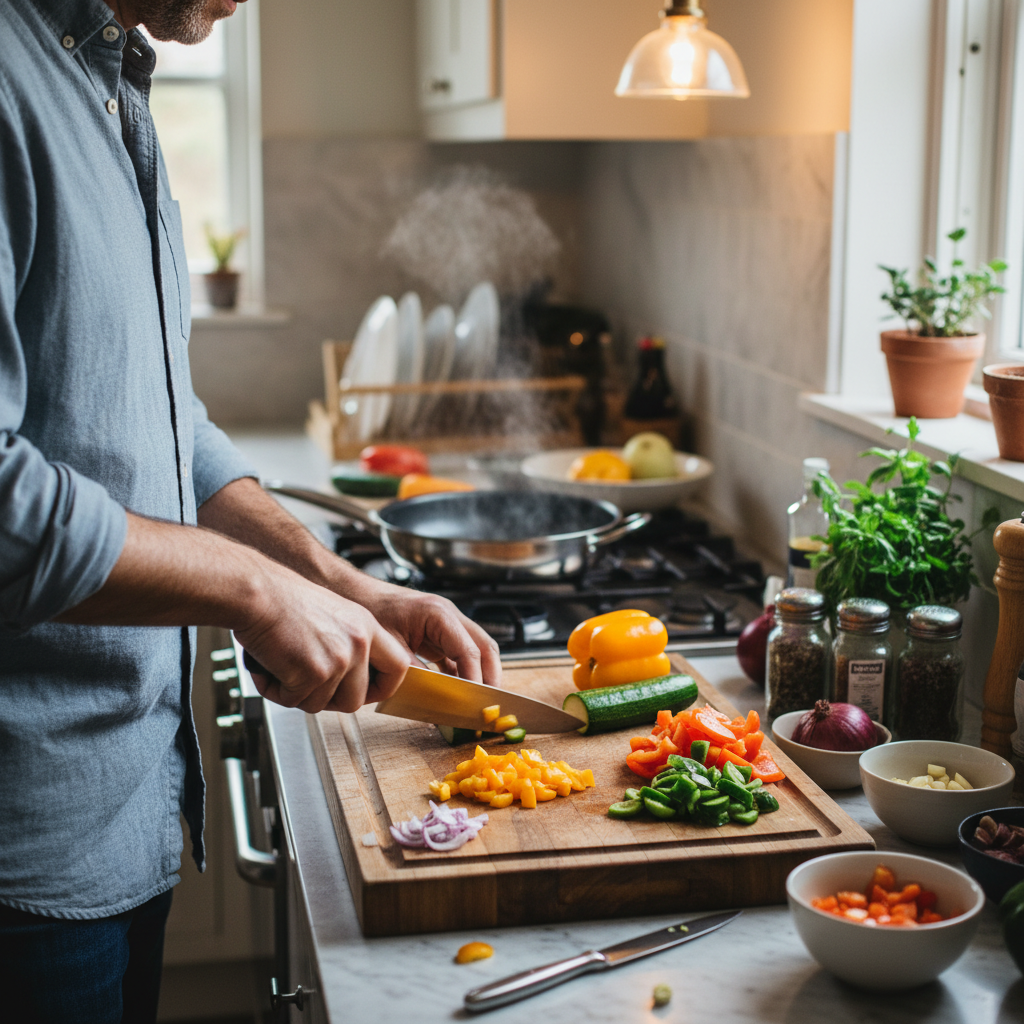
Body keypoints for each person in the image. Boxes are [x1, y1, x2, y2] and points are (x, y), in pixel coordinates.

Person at [0, 0, 501, 1020]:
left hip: (121, 808)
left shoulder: (102, 83)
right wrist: (250, 589)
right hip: (23, 847)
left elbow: (157, 417)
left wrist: (338, 580)